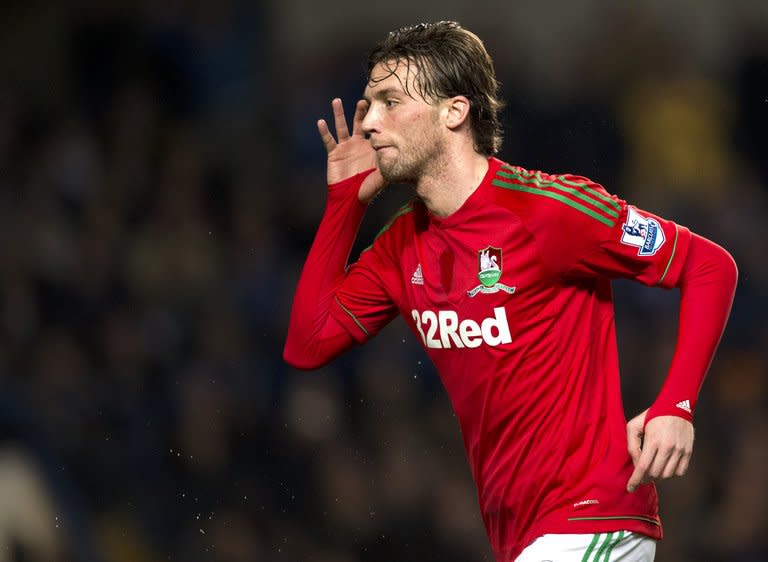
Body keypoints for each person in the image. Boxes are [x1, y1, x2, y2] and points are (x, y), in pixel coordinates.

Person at [283, 21, 737, 562]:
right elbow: (307, 344)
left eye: (389, 102)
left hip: (594, 518)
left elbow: (710, 266)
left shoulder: (549, 210)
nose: (370, 123)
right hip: (522, 537)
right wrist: (344, 204)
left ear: (454, 111)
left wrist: (676, 405)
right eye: (369, 103)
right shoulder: (399, 247)